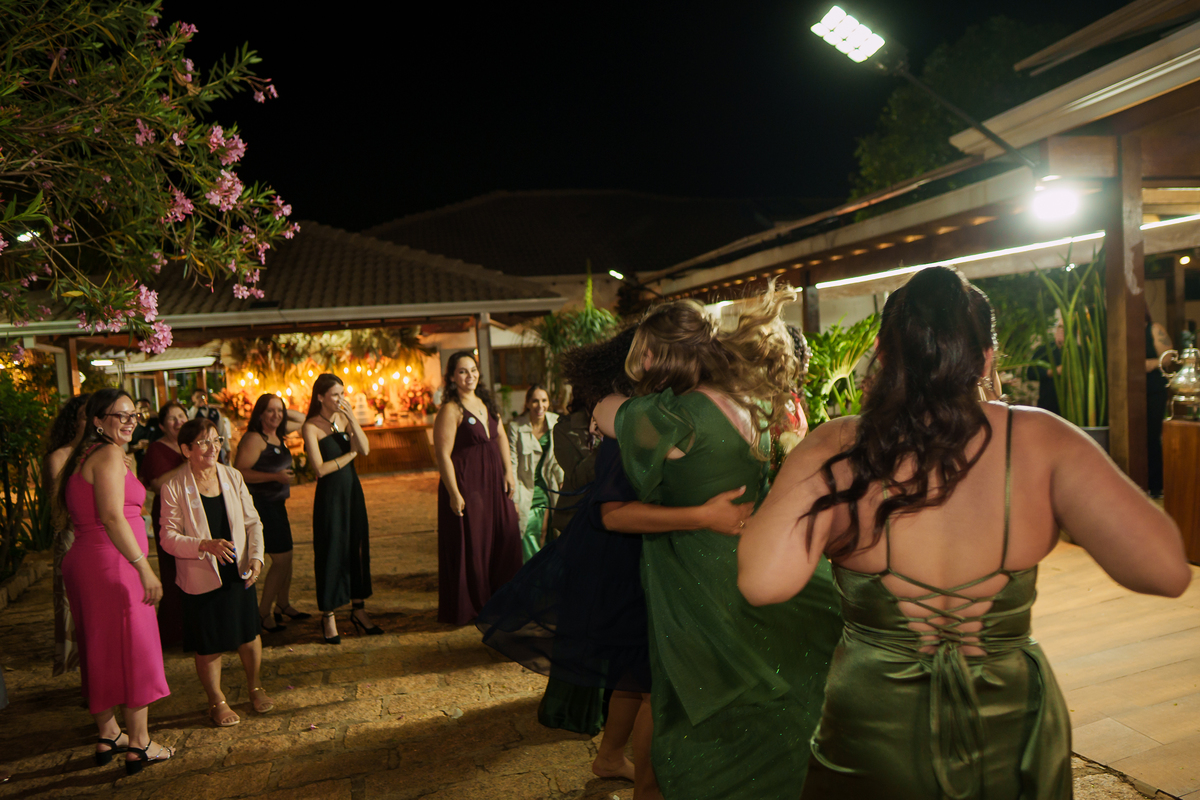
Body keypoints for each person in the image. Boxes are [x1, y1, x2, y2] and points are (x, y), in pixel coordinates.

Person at [736, 267, 1192, 800]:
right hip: (1010, 731)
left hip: (876, 730)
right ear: (987, 359)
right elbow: (1167, 571)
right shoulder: (1040, 439)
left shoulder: (842, 448)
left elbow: (763, 582)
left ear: (882, 355)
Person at [479, 327, 754, 800]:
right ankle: (648, 790)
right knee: (654, 689)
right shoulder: (633, 424)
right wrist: (704, 515)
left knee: (635, 676)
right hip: (628, 561)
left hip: (632, 558)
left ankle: (609, 757)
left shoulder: (642, 415)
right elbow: (614, 513)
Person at [593, 286, 843, 800]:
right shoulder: (753, 401)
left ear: (660, 355)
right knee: (769, 694)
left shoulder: (675, 418)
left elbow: (602, 411)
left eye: (645, 352)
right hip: (760, 560)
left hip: (699, 578)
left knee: (704, 706)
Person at [57, 389, 173, 775]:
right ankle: (140, 743)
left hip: (90, 564)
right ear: (97, 421)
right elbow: (111, 516)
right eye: (120, 416)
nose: (129, 422)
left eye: (133, 415)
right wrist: (144, 568)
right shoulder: (106, 455)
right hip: (113, 564)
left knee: (101, 649)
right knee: (135, 649)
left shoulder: (88, 456)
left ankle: (109, 733)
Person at [159, 417, 272, 726]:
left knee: (248, 632)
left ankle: (255, 686)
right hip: (200, 572)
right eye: (204, 442)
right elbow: (167, 537)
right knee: (208, 641)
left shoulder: (232, 476)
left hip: (237, 567)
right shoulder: (174, 487)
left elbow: (252, 522)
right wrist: (204, 545)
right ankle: (217, 700)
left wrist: (256, 557)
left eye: (216, 440)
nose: (213, 448)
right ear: (186, 450)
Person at [434, 351, 522, 626]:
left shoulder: (486, 402)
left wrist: (509, 471)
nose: (469, 376)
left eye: (473, 370)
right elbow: (442, 454)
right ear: (452, 377)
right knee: (475, 544)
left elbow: (501, 436)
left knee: (505, 535)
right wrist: (454, 492)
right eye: (462, 371)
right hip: (467, 483)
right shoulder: (451, 409)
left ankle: (501, 599)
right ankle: (473, 604)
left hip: (494, 482)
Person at [302, 374, 377, 644]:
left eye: (342, 393)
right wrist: (349, 455)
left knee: (357, 545)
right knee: (331, 549)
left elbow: (365, 449)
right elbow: (320, 469)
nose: (340, 399)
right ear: (320, 397)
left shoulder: (345, 420)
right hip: (330, 496)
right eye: (335, 394)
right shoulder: (311, 427)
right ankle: (329, 614)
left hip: (352, 491)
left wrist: (353, 419)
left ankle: (359, 609)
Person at [235, 394, 310, 633]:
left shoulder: (277, 435)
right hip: (262, 505)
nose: (276, 415)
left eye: (280, 410)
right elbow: (240, 472)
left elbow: (303, 418)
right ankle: (263, 612)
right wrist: (275, 477)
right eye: (270, 410)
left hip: (277, 504)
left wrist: (282, 412)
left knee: (288, 556)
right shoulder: (255, 439)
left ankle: (283, 604)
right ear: (260, 414)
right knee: (281, 559)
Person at [45, 393, 91, 677]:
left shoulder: (107, 453)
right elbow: (59, 505)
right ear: (74, 421)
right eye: (86, 416)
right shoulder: (58, 457)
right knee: (73, 604)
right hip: (73, 536)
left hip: (102, 536)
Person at [138, 400, 190, 647]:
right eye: (172, 418)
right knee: (173, 571)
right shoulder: (157, 449)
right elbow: (158, 484)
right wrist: (188, 463)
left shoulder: (194, 442)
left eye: (182, 416)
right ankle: (176, 631)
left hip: (194, 510)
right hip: (170, 513)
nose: (179, 422)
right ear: (162, 425)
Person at [508, 384, 563, 560]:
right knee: (527, 531)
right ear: (527, 403)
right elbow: (512, 464)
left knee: (547, 532)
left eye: (544, 400)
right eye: (535, 401)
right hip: (525, 487)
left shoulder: (555, 422)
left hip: (547, 487)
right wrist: (515, 499)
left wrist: (562, 483)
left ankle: (544, 570)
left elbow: (558, 460)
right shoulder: (516, 426)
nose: (540, 406)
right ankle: (530, 571)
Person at [1146, 311, 1172, 496]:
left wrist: (1151, 363)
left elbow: (1168, 358)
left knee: (1152, 436)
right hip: (1126, 392)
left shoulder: (1154, 329)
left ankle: (1156, 486)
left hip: (1154, 390)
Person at [189, 388, 233, 464]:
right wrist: (196, 407)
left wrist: (227, 449)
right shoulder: (191, 413)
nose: (200, 399)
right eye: (197, 397)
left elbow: (222, 430)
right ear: (193, 398)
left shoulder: (215, 412)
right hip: (200, 448)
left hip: (216, 446)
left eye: (203, 396)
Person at [129, 397, 161, 471]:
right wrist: (138, 446)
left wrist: (156, 414)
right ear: (135, 410)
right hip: (142, 467)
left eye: (146, 407)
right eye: (141, 408)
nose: (144, 410)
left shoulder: (156, 422)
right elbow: (128, 449)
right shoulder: (133, 427)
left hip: (158, 464)